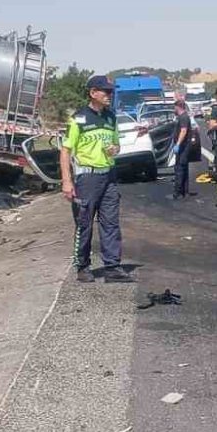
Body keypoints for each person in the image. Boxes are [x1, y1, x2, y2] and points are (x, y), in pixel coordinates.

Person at [59, 75, 132, 284]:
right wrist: (66, 181)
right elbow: (65, 151)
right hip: (87, 178)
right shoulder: (78, 119)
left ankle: (112, 267)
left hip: (108, 175)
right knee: (84, 224)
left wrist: (114, 149)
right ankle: (83, 266)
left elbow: (117, 146)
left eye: (111, 92)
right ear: (93, 93)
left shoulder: (111, 118)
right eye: (105, 91)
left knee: (110, 223)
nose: (110, 95)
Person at [170, 100, 196, 199]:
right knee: (183, 168)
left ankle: (178, 192)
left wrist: (178, 144)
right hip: (183, 146)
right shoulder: (181, 117)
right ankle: (185, 191)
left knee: (179, 168)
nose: (174, 109)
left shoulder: (183, 117)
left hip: (183, 147)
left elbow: (183, 131)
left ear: (178, 107)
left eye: (174, 107)